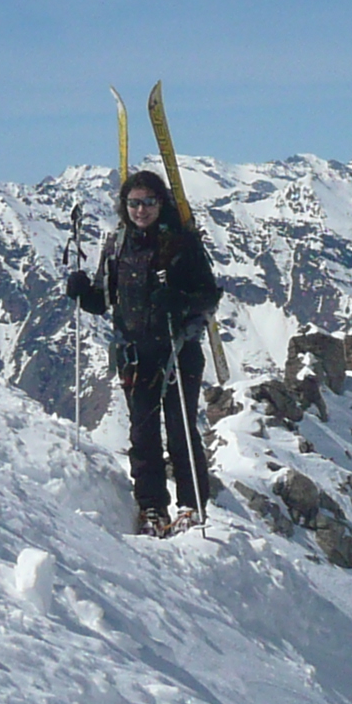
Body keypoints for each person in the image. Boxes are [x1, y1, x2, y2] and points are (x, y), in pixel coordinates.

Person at [67, 168, 220, 533]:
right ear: (124, 206)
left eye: (148, 202)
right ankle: (152, 508)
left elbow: (209, 295)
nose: (141, 210)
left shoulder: (182, 244)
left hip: (178, 350)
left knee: (182, 430)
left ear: (160, 203)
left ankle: (192, 505)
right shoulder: (118, 244)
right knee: (143, 434)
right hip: (137, 353)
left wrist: (179, 301)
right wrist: (81, 291)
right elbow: (104, 299)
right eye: (133, 203)